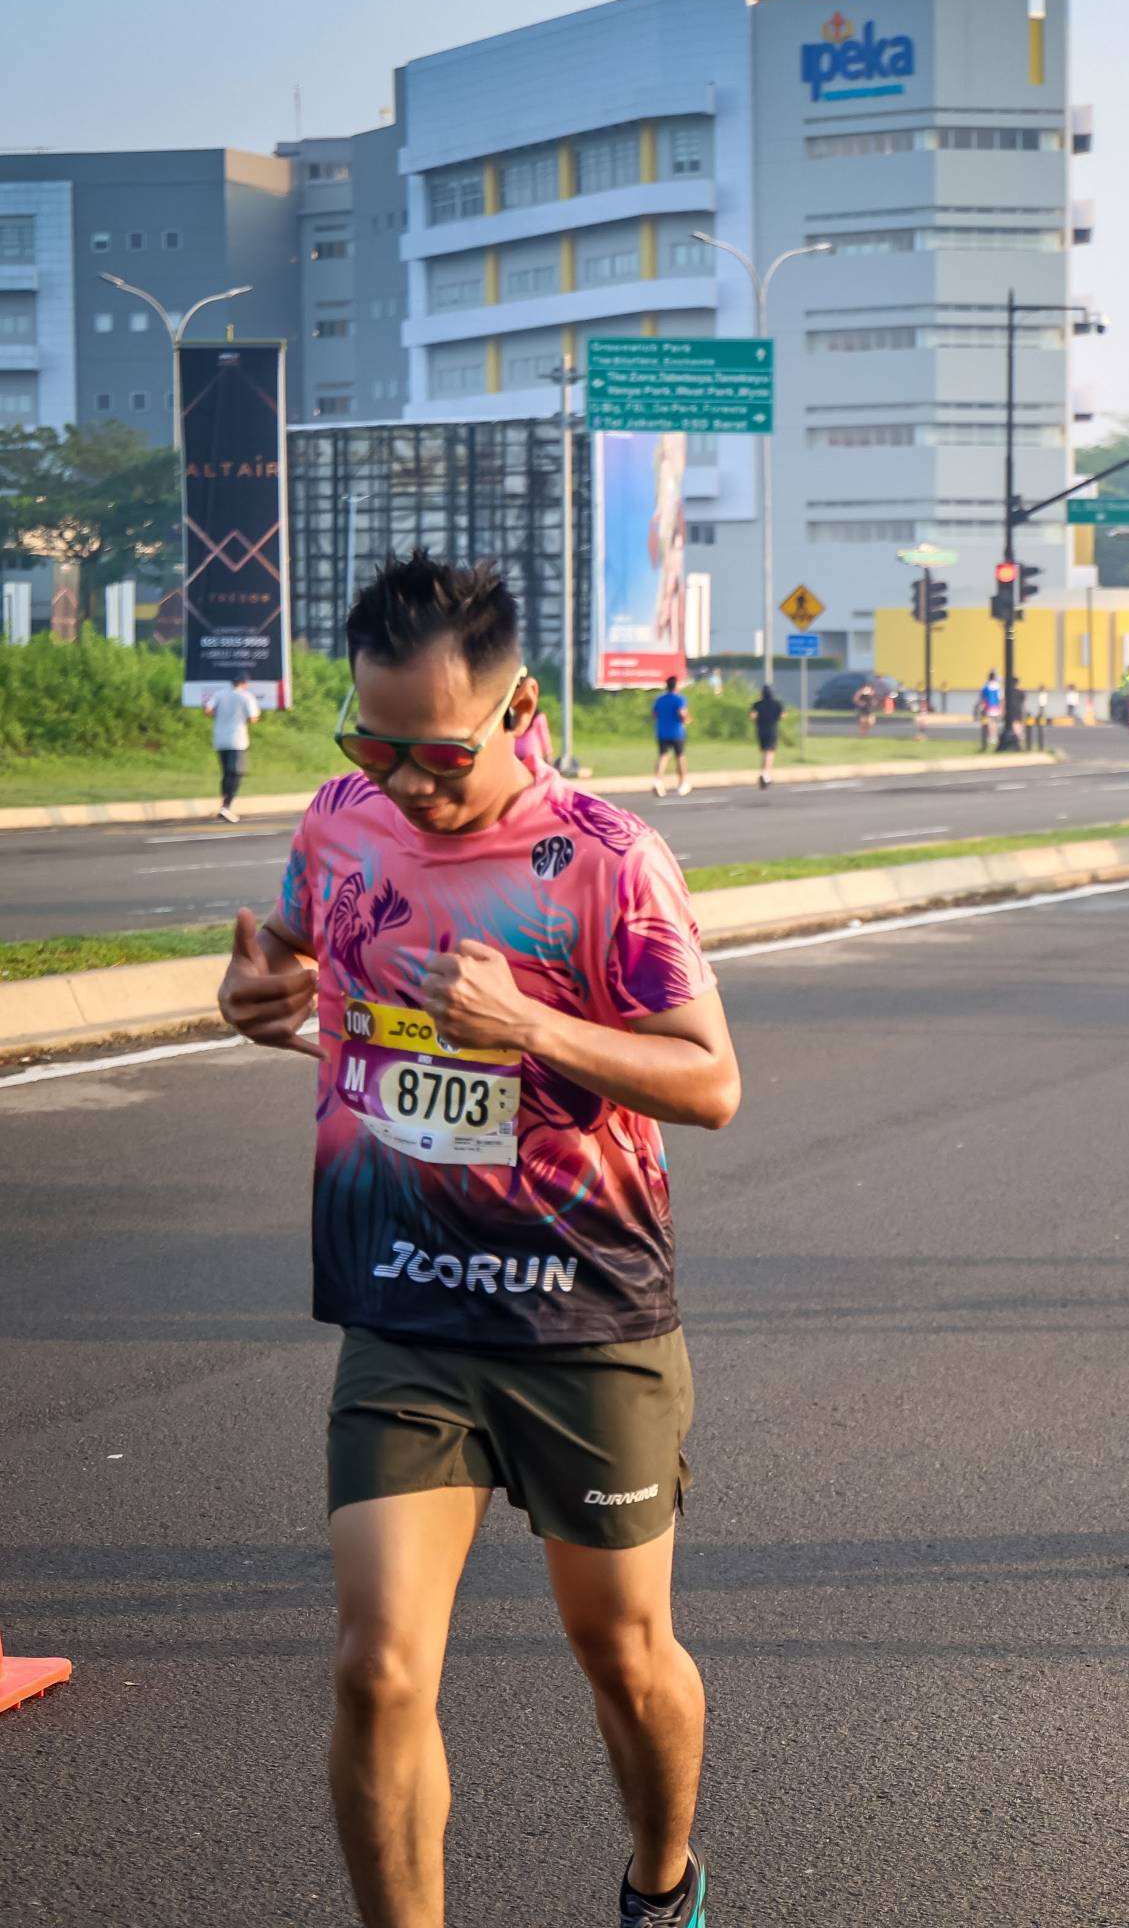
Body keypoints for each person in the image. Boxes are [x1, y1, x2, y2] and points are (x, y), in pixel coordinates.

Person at [212, 549, 739, 1928]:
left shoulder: (608, 860)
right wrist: (254, 992)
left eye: (439, 754)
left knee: (623, 1652)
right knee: (378, 1665)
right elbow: (292, 958)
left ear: (519, 710)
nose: (407, 782)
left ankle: (663, 1886)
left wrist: (532, 1026)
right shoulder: (342, 822)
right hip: (405, 1306)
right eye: (372, 744)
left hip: (585, 1315)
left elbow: (710, 1081)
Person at [208, 673, 262, 822]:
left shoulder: (219, 694)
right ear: (244, 683)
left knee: (226, 773)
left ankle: (223, 804)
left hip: (220, 739)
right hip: (238, 740)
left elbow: (208, 710)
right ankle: (226, 806)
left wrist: (220, 716)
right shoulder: (246, 697)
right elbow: (253, 718)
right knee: (236, 773)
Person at [649, 678, 690, 797]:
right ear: (676, 686)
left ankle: (658, 780)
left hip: (662, 731)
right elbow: (682, 713)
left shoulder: (660, 699)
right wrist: (686, 719)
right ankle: (682, 783)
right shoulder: (679, 699)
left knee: (663, 756)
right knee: (680, 757)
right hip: (676, 732)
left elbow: (654, 714)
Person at [751, 683, 785, 789]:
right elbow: (783, 716)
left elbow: (753, 716)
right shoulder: (777, 704)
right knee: (770, 753)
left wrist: (759, 720)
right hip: (771, 730)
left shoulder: (757, 704)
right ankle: (765, 774)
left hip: (760, 730)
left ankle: (766, 775)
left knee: (765, 752)